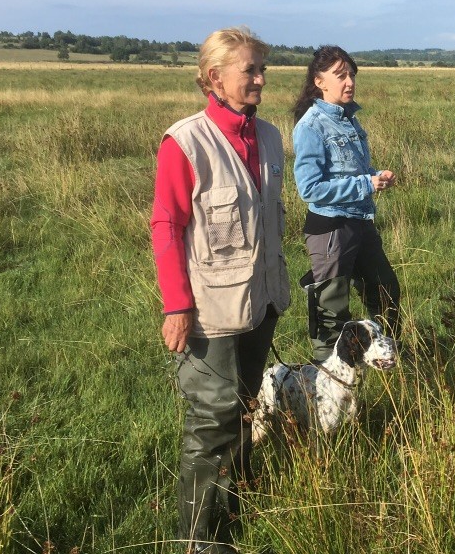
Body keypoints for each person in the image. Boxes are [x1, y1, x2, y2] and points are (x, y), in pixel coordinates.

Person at [151, 27, 291, 553]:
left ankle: (238, 507)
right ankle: (198, 541)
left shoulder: (272, 137)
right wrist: (177, 305)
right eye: (249, 71)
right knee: (211, 423)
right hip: (209, 310)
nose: (259, 80)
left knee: (247, 407)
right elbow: (166, 224)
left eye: (261, 70)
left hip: (262, 301)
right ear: (215, 78)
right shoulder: (185, 142)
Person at [291, 46, 400, 363]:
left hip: (360, 222)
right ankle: (326, 380)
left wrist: (375, 175)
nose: (349, 81)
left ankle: (380, 356)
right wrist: (367, 184)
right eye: (341, 75)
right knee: (331, 309)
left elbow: (349, 171)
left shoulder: (350, 120)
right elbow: (310, 188)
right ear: (320, 81)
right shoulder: (311, 126)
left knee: (385, 290)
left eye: (351, 74)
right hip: (331, 230)